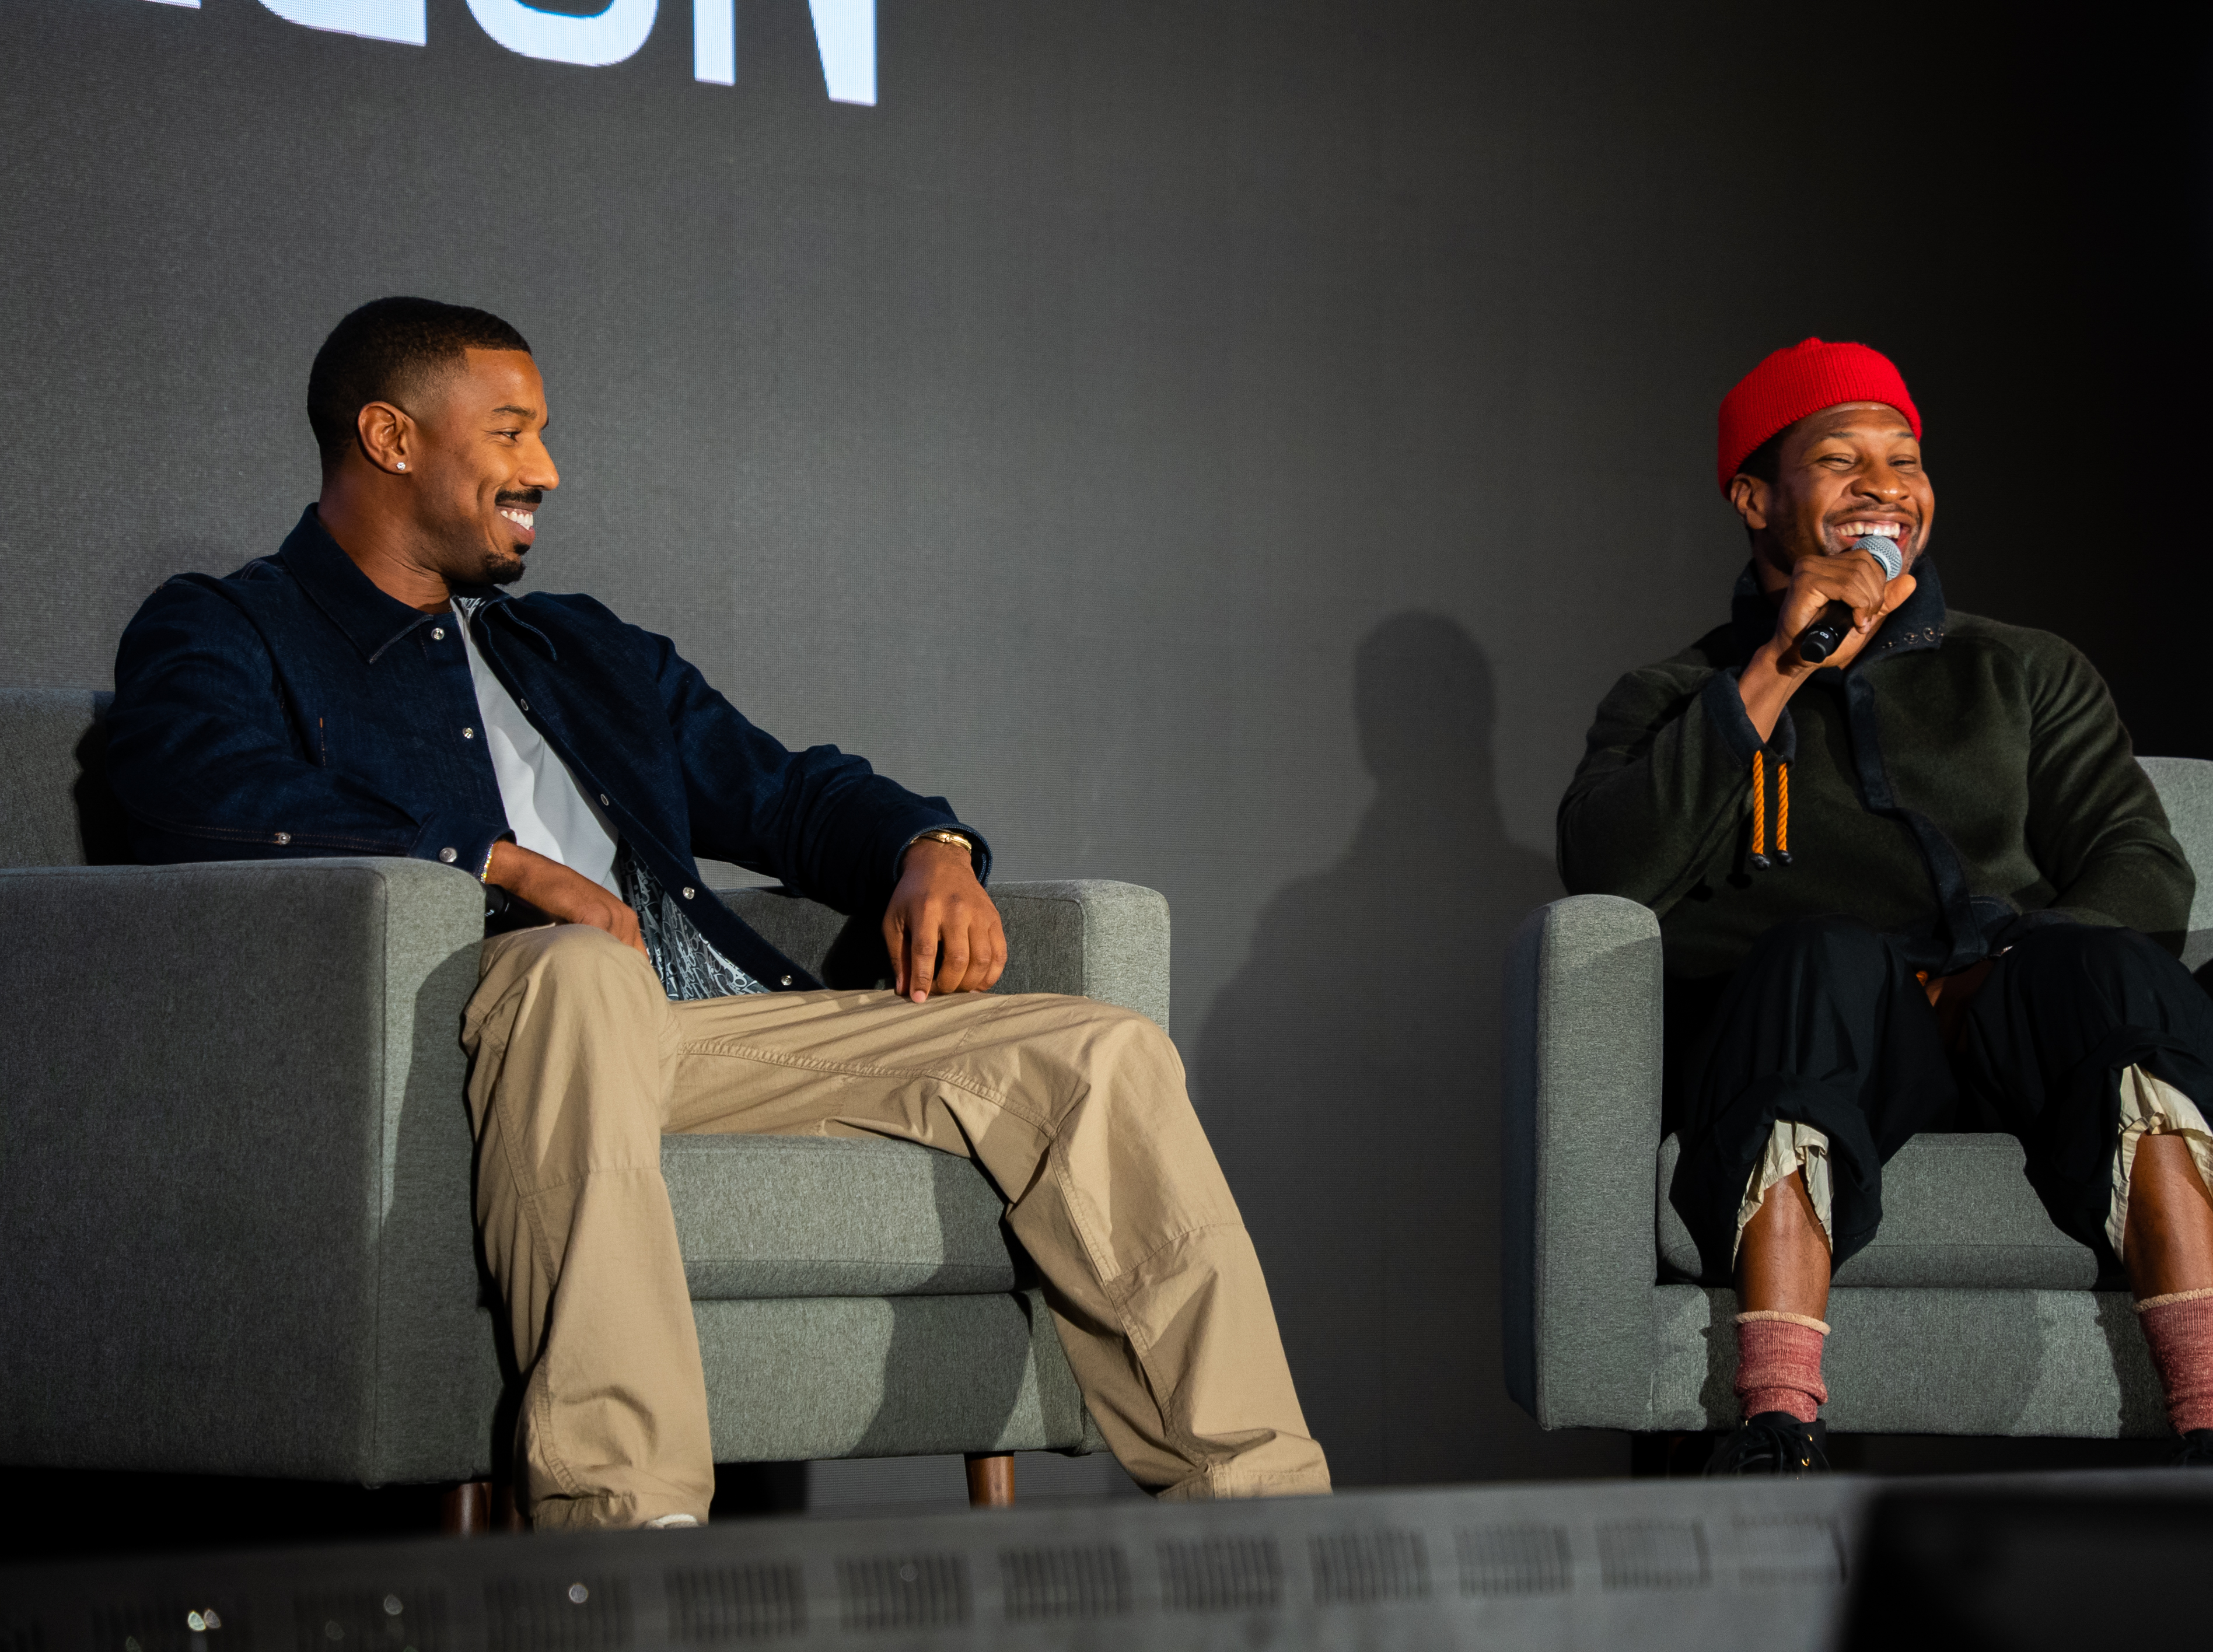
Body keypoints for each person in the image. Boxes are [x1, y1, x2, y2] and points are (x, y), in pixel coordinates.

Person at [106, 296, 1330, 1528]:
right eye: (514, 433)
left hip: (703, 1036)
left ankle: (1271, 1528)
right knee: (571, 969)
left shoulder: (580, 650)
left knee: (1096, 1052)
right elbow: (184, 787)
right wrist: (499, 866)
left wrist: (929, 846)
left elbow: (787, 792)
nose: (548, 470)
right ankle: (626, 1533)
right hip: (494, 1034)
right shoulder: (231, 624)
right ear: (390, 437)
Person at [1559, 338, 2213, 1474]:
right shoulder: (1675, 697)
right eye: (1839, 460)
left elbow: (2138, 866)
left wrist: (2017, 968)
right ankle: (1776, 1426)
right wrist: (1775, 670)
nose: (1884, 485)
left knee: (2110, 979)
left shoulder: (2022, 670)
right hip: (1820, 1025)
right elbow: (1607, 874)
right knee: (1815, 963)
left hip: (2009, 1013)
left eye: (1904, 459)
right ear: (1752, 497)